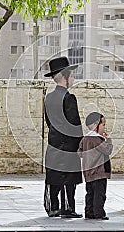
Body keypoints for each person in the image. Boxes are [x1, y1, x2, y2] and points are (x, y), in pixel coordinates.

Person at [43, 56, 83, 218]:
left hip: (53, 144)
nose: (73, 79)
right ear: (64, 77)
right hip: (68, 146)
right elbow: (75, 125)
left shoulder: (49, 98)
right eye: (71, 75)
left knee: (54, 177)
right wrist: (80, 144)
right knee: (68, 179)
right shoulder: (69, 98)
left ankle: (53, 207)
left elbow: (48, 122)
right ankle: (67, 208)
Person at [78, 112, 113, 221]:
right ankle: (99, 214)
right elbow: (108, 150)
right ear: (95, 125)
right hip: (99, 172)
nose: (104, 128)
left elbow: (79, 153)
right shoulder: (97, 140)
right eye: (103, 125)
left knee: (90, 194)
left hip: (88, 172)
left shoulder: (85, 139)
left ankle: (89, 213)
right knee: (100, 194)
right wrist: (109, 140)